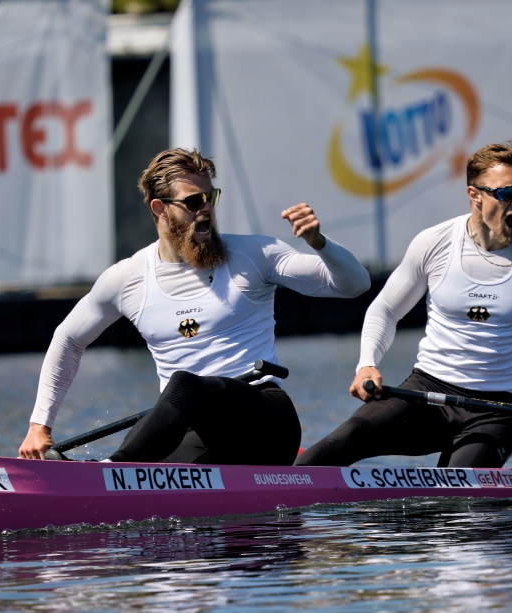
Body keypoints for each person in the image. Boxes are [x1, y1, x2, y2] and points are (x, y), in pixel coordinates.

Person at [296, 140, 512, 469]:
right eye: (508, 195)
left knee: (456, 509)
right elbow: (385, 309)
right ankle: (276, 487)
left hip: (498, 411)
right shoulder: (434, 243)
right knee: (339, 443)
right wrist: (366, 364)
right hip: (427, 394)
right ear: (474, 195)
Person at [19, 148, 371, 464]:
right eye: (192, 202)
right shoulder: (125, 279)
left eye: (210, 197)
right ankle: (108, 479)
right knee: (150, 464)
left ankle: (110, 472)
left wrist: (320, 243)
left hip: (263, 418)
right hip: (195, 430)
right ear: (159, 209)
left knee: (185, 385)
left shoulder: (255, 255)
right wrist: (39, 427)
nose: (205, 209)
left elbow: (355, 285)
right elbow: (68, 340)